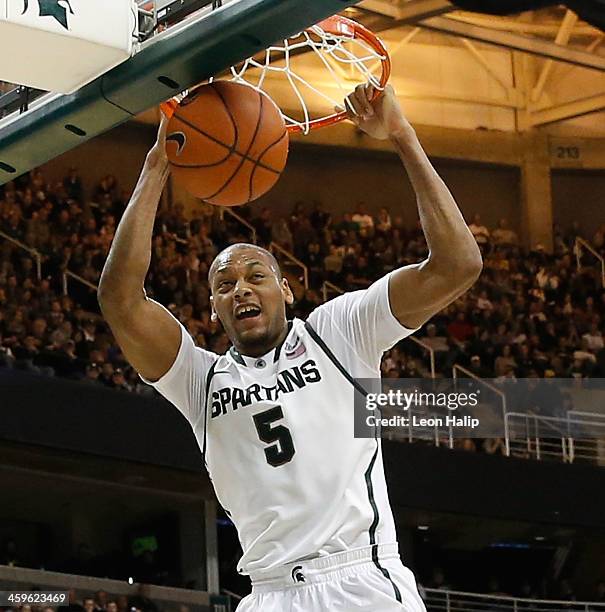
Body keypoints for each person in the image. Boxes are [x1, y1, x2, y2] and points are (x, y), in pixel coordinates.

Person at [98, 84, 482, 611]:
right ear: (213, 309)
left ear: (286, 289)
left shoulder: (339, 332)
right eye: (224, 285)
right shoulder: (199, 381)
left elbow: (457, 264)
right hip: (269, 595)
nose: (241, 289)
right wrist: (157, 166)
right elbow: (120, 300)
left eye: (256, 275)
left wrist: (402, 136)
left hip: (360, 582)